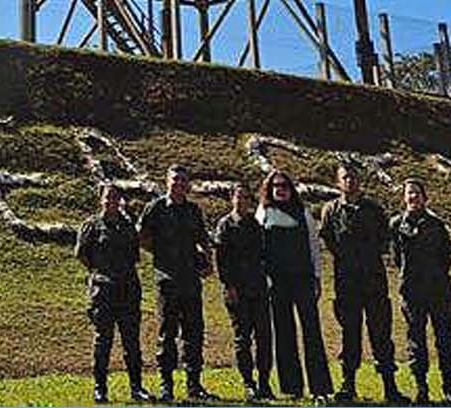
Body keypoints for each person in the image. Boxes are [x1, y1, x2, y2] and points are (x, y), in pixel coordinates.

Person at [318, 161, 407, 406]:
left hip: (374, 282)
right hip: (346, 284)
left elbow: (383, 240)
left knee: (381, 334)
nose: (350, 181)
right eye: (345, 177)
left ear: (360, 181)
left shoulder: (374, 210)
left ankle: (390, 387)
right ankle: (348, 386)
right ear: (338, 182)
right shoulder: (330, 210)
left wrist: (367, 259)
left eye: (354, 177)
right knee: (350, 335)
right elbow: (328, 239)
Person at [139, 164, 214, 402]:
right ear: (166, 181)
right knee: (167, 334)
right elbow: (142, 237)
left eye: (184, 180)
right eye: (175, 179)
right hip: (167, 280)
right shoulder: (155, 208)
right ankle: (166, 386)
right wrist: (161, 255)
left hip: (190, 280)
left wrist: (206, 260)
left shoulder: (193, 210)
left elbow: (202, 239)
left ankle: (194, 385)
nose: (179, 184)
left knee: (194, 333)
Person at [78, 182, 156, 404]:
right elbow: (83, 255)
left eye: (115, 197)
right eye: (107, 197)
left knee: (132, 342)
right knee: (103, 341)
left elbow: (134, 256)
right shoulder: (91, 225)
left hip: (128, 290)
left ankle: (136, 387)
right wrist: (101, 273)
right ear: (101, 199)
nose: (111, 201)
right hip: (103, 291)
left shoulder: (127, 226)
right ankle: (99, 388)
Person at [259, 168, 333, 403]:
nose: (280, 189)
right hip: (276, 282)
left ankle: (319, 387)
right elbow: (259, 250)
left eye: (285, 185)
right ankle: (292, 387)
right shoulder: (264, 213)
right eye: (276, 186)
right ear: (270, 189)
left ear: (291, 189)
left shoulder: (303, 213)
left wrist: (317, 277)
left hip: (302, 279)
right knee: (284, 333)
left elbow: (314, 247)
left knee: (312, 332)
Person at [390, 178, 451, 406]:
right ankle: (421, 388)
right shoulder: (396, 225)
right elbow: (396, 258)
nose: (413, 197)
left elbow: (447, 256)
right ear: (404, 197)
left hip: (439, 290)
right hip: (411, 292)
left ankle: (449, 388)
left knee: (445, 339)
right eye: (409, 193)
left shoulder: (436, 225)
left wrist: (434, 275)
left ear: (424, 197)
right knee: (415, 341)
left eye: (417, 193)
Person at [214, 181, 275, 403]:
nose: (242, 201)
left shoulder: (255, 226)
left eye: (246, 197)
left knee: (264, 338)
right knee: (243, 339)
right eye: (238, 197)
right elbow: (221, 260)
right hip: (236, 290)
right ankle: (248, 382)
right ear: (232, 199)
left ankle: (265, 382)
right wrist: (228, 286)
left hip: (258, 288)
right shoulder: (225, 225)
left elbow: (264, 256)